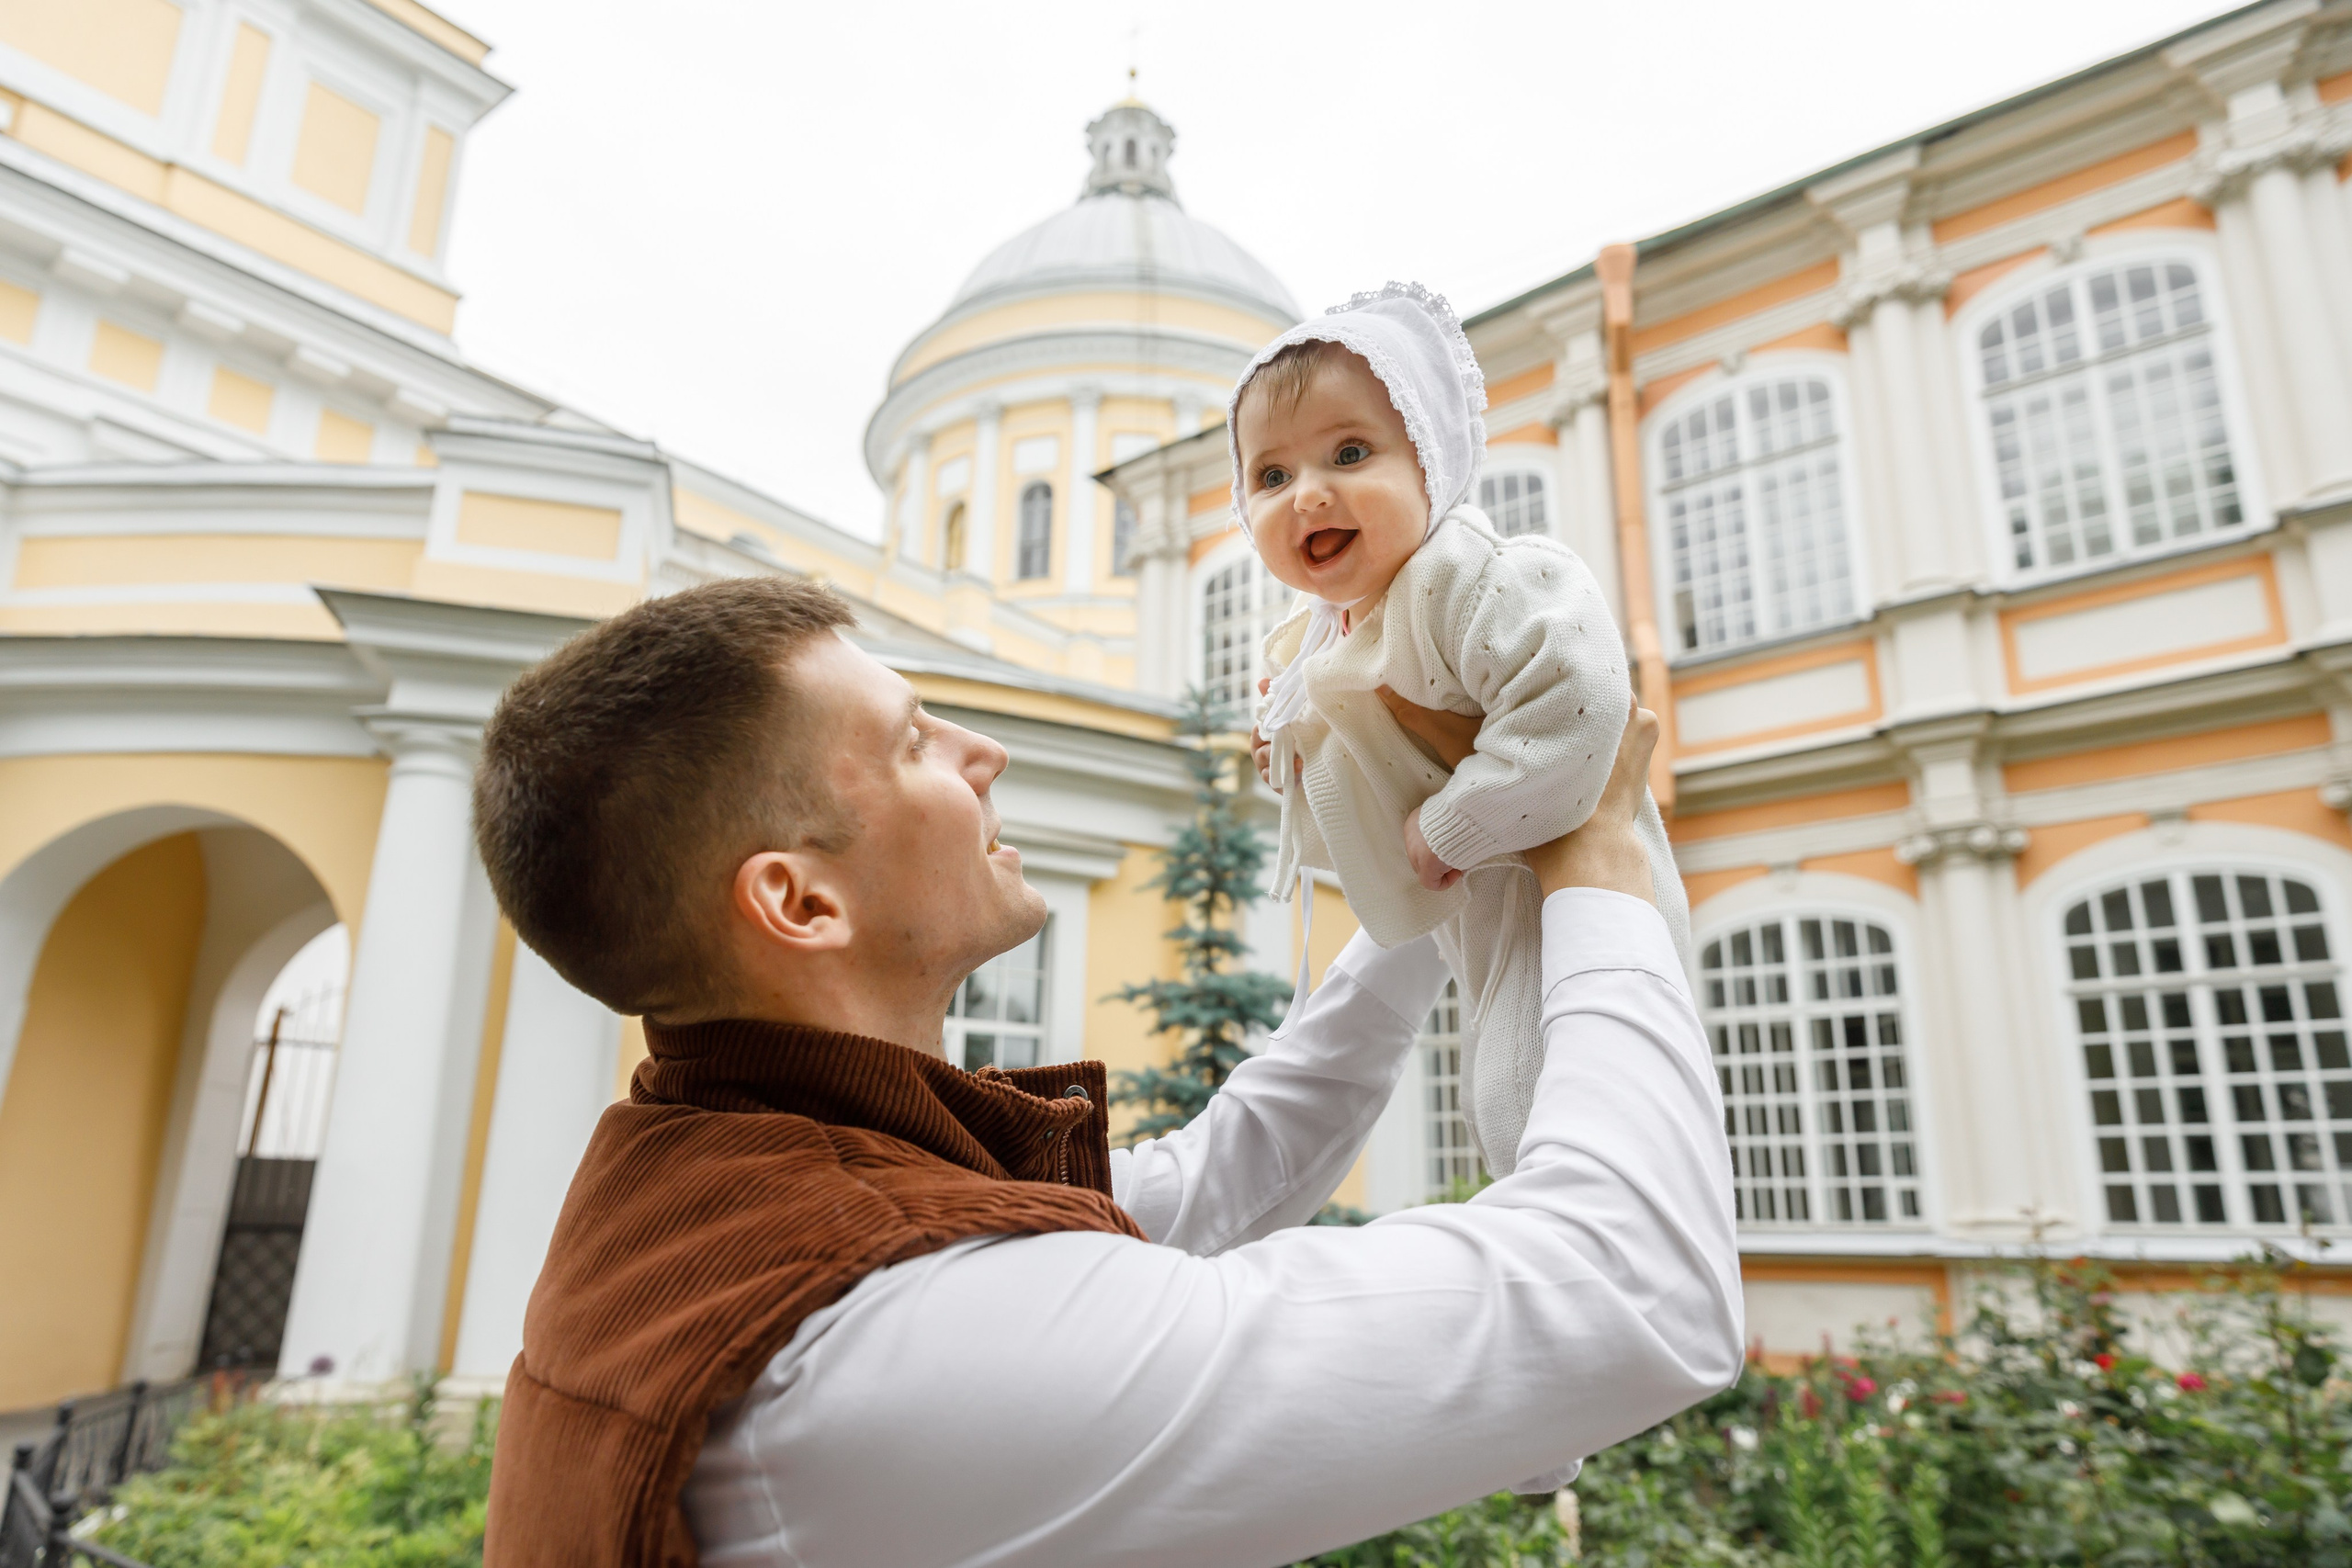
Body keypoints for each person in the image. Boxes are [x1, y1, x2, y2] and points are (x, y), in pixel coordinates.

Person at [474, 575, 1738, 1568]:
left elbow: (1216, 1174)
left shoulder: (739, 1179)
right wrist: (1595, 853)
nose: (985, 752)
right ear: (799, 898)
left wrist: (1436, 862)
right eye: (916, 739)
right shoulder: (886, 1348)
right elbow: (1633, 1287)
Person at [1236, 282, 1689, 1178]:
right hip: (1488, 909)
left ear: (1430, 466)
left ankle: (1580, 1246)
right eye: (1271, 475)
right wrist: (1297, 770)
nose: (1308, 495)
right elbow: (1370, 839)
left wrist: (1451, 823)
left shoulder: (1476, 580)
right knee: (1501, 1091)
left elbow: (1578, 710)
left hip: (1577, 890)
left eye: (1350, 452)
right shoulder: (1322, 644)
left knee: (1539, 1094)